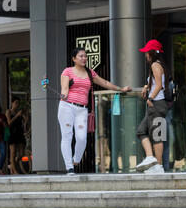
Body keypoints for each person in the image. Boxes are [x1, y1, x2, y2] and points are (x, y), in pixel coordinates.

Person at [59, 47, 129, 175]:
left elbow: (105, 83)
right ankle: (69, 167)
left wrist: (120, 89)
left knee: (82, 138)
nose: (84, 58)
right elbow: (64, 88)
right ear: (74, 59)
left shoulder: (90, 73)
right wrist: (64, 94)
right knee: (67, 136)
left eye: (85, 56)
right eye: (81, 56)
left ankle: (76, 159)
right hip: (67, 107)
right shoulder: (67, 71)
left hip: (82, 109)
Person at [134, 40, 171, 173]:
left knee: (156, 135)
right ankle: (151, 159)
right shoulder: (161, 65)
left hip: (156, 104)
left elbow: (159, 85)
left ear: (151, 53)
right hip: (159, 104)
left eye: (146, 52)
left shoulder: (155, 65)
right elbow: (157, 83)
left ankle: (158, 165)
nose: (145, 55)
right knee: (142, 131)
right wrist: (146, 86)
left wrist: (150, 98)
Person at [5, 97, 27, 175]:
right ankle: (15, 171)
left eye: (18, 103)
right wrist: (17, 115)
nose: (17, 105)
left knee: (21, 154)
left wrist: (24, 118)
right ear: (12, 103)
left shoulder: (19, 112)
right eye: (16, 103)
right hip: (12, 133)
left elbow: (24, 124)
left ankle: (12, 165)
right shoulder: (9, 111)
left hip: (19, 133)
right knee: (13, 152)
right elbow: (9, 123)